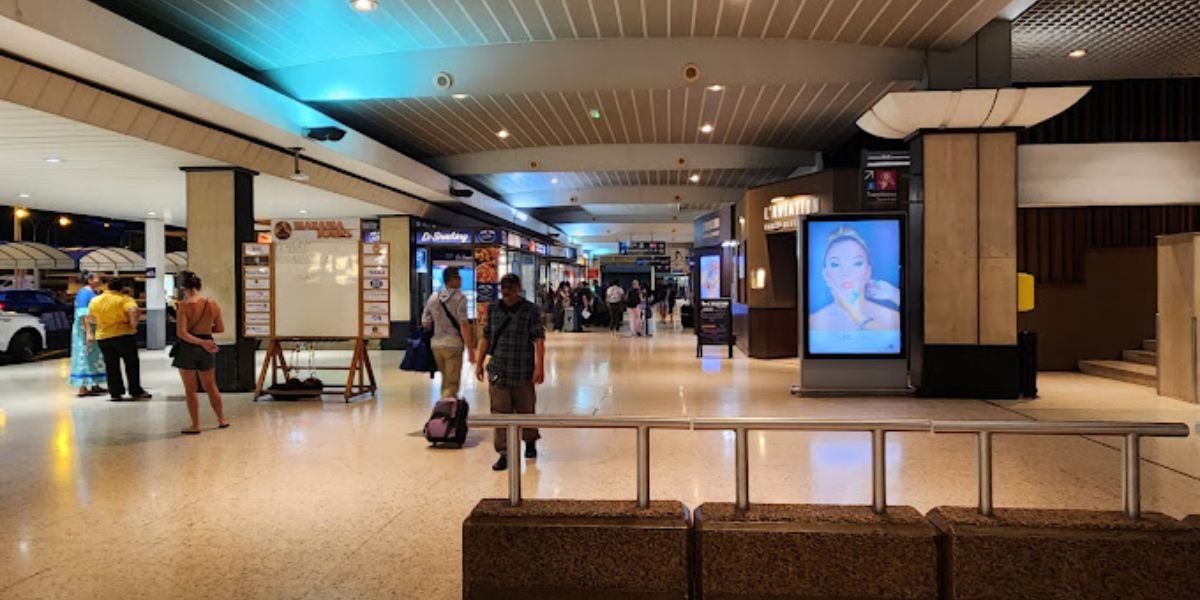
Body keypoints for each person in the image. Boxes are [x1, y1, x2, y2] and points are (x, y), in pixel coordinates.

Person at [476, 273, 545, 471]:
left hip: (523, 369)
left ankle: (530, 441)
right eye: (503, 288)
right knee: (499, 413)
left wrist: (539, 366)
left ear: (518, 288)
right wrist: (479, 362)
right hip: (499, 369)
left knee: (526, 411)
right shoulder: (493, 309)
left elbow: (539, 339)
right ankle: (504, 453)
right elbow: (486, 337)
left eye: (510, 288)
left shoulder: (530, 310)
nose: (506, 292)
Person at [809, 226, 901, 331]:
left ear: (868, 271)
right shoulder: (812, 323)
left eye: (857, 263)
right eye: (835, 264)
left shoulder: (893, 319)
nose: (846, 272)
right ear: (825, 274)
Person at [173, 271, 228, 434]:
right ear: (199, 286)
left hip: (188, 348)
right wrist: (205, 337)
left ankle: (195, 425)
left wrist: (199, 340)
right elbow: (220, 328)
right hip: (207, 346)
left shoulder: (184, 305)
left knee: (190, 389)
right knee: (211, 386)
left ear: (184, 287)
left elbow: (182, 333)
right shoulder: (213, 304)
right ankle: (221, 419)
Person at [87, 277, 150, 401]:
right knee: (131, 363)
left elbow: (90, 318)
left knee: (111, 365)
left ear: (108, 287)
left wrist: (96, 328)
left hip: (103, 336)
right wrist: (133, 324)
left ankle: (115, 393)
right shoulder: (124, 299)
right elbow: (133, 310)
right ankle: (135, 390)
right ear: (121, 288)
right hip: (123, 334)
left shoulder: (95, 300)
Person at [422, 266, 475, 398]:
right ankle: (446, 413)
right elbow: (464, 324)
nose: (461, 280)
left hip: (436, 345)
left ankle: (445, 408)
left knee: (445, 380)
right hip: (453, 345)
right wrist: (471, 350)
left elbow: (426, 322)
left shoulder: (434, 297)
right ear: (452, 280)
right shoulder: (460, 298)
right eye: (458, 277)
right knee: (451, 384)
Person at [69, 272, 108, 397]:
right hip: (84, 329)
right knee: (84, 355)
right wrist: (89, 332)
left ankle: (95, 383)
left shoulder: (92, 292)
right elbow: (83, 314)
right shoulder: (84, 293)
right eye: (97, 277)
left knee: (95, 356)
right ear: (90, 279)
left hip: (94, 327)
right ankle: (83, 386)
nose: (100, 279)